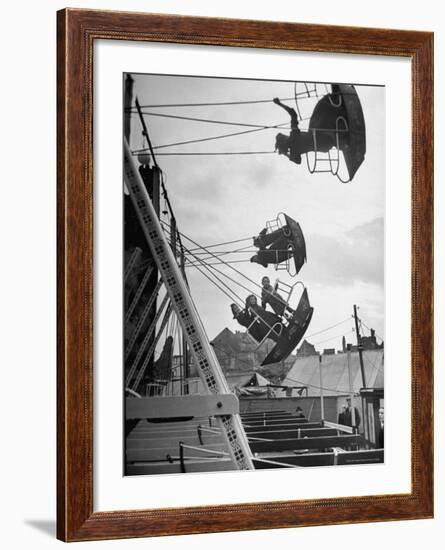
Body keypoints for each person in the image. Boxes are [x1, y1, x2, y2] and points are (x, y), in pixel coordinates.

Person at [273, 97, 335, 164]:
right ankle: (336, 105)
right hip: (325, 137)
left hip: (325, 147)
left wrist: (286, 154)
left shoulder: (294, 152)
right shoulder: (294, 136)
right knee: (322, 105)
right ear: (284, 140)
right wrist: (280, 104)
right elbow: (293, 114)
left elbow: (298, 161)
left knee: (312, 129)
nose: (285, 135)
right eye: (283, 136)